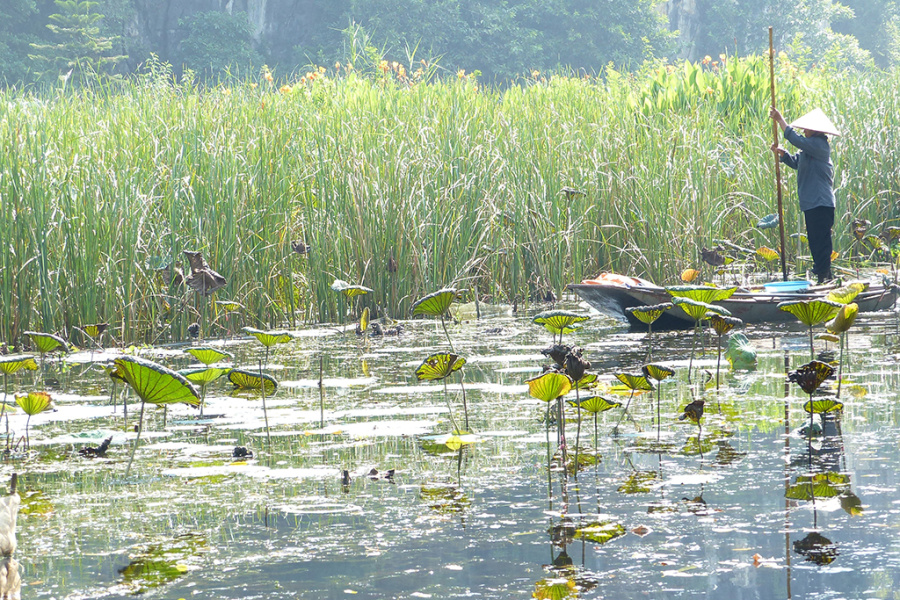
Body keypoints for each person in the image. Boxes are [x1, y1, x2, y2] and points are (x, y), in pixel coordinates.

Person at [770, 107, 839, 284]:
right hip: (811, 203)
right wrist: (784, 155)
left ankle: (824, 275)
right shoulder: (807, 150)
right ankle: (824, 275)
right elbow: (797, 163)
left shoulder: (820, 146)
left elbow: (795, 139)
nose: (804, 131)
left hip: (821, 202)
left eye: (806, 129)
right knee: (815, 241)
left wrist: (780, 119)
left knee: (821, 240)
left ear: (815, 131)